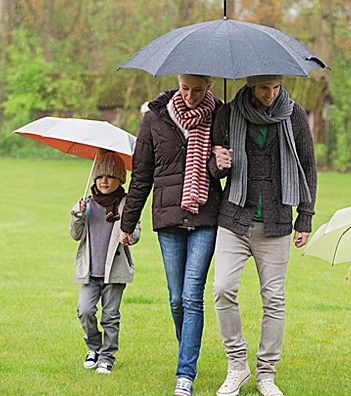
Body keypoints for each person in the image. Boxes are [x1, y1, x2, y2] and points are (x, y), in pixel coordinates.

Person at [204, 74, 317, 396]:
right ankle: (237, 365)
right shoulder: (228, 113)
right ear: (251, 85)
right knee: (222, 289)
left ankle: (266, 373)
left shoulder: (294, 114)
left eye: (276, 88)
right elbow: (214, 169)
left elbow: (308, 166)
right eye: (264, 88)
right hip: (234, 218)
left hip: (277, 221)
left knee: (274, 299)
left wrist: (305, 217)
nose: (271, 94)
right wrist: (219, 164)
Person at [124, 74, 226, 396]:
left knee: (193, 295)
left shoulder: (219, 116)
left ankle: (185, 373)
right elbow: (141, 175)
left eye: (198, 90)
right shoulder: (154, 118)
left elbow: (222, 171)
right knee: (176, 298)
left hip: (205, 216)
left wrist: (222, 164)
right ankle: (188, 350)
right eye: (185, 89)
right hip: (168, 217)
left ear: (209, 86)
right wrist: (128, 223)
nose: (191, 96)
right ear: (177, 84)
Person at [69, 152, 137, 375]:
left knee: (110, 316)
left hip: (114, 271)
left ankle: (107, 357)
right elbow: (75, 234)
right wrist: (77, 215)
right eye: (100, 176)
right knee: (85, 310)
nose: (104, 181)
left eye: (110, 176)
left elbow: (136, 232)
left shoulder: (126, 204)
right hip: (90, 271)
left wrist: (128, 235)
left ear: (120, 179)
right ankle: (94, 348)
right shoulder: (86, 204)